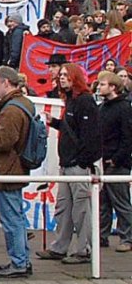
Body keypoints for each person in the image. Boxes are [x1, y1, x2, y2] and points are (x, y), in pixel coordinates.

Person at [36, 63, 101, 264]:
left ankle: (84, 250)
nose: (61, 78)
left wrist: (83, 162)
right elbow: (74, 128)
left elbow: (91, 135)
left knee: (81, 209)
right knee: (64, 207)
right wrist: (55, 122)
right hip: (68, 163)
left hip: (76, 164)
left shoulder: (84, 101)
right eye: (61, 75)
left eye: (66, 75)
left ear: (75, 78)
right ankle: (60, 247)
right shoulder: (71, 100)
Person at [0, 66, 34, 277]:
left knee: (11, 219)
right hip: (16, 167)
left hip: (8, 169)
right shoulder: (24, 104)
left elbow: (3, 142)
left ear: (6, 83)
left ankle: (19, 262)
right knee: (17, 217)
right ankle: (22, 260)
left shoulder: (11, 110)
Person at [95, 71, 132, 251]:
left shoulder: (124, 108)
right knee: (104, 203)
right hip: (104, 161)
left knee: (121, 203)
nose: (98, 87)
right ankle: (102, 236)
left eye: (102, 84)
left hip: (117, 163)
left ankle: (128, 238)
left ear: (113, 87)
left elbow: (127, 137)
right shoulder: (102, 107)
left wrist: (116, 160)